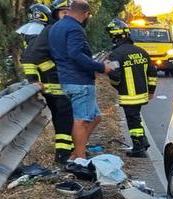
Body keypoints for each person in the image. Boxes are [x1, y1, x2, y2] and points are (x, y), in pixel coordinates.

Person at [48, 0, 112, 164]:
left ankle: (77, 151)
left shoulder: (56, 27)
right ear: (85, 14)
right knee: (81, 120)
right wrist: (100, 67)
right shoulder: (75, 28)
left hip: (66, 79)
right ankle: (80, 158)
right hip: (79, 81)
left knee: (95, 117)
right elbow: (76, 54)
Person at [20, 2, 75, 164]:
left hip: (55, 85)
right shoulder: (45, 32)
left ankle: (66, 152)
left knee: (64, 120)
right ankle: (63, 155)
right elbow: (29, 59)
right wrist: (34, 81)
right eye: (63, 13)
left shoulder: (42, 32)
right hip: (54, 86)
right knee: (64, 120)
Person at [105, 18, 157, 158]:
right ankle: (142, 142)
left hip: (128, 95)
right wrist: (151, 91)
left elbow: (115, 77)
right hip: (142, 94)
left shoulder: (115, 55)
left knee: (133, 121)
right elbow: (152, 73)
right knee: (136, 118)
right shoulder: (141, 51)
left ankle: (139, 148)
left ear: (114, 37)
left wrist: (117, 87)